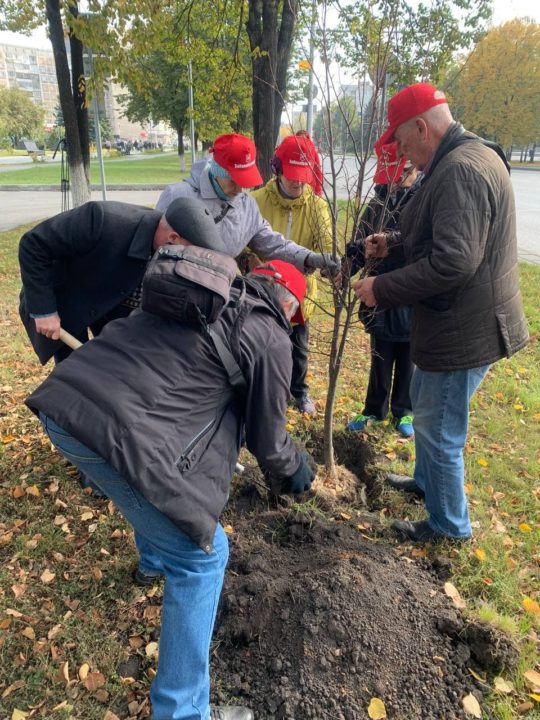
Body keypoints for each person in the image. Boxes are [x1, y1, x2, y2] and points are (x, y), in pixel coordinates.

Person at [25, 248, 316, 720]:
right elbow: (269, 439)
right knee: (204, 558)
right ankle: (182, 712)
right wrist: (296, 470)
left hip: (65, 409)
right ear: (290, 307)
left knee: (146, 488)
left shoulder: (197, 296)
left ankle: (152, 561)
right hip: (113, 437)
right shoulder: (269, 335)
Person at [353, 82, 528, 542]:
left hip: (464, 329)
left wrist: (381, 287)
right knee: (431, 417)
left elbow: (454, 260)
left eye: (404, 141)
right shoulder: (456, 159)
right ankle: (427, 483)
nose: (403, 152)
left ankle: (449, 529)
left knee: (441, 429)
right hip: (452, 322)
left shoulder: (461, 170)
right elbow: (443, 231)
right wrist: (392, 242)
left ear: (422, 126)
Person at [19, 197, 222, 366]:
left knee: (114, 366)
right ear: (173, 238)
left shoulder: (166, 252)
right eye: (189, 252)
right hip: (65, 298)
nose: (189, 258)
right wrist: (44, 310)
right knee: (74, 374)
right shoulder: (102, 219)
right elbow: (33, 244)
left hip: (109, 298)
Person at [155, 132, 339, 278]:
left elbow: (272, 243)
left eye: (244, 181)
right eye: (233, 180)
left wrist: (309, 258)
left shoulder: (246, 206)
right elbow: (153, 252)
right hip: (174, 295)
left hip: (218, 297)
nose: (239, 189)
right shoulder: (178, 196)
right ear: (216, 171)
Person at [251, 133, 333, 415]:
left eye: (303, 175)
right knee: (261, 344)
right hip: (261, 292)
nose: (298, 182)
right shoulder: (257, 200)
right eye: (292, 175)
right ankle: (265, 392)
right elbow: (247, 243)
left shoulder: (317, 207)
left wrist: (327, 261)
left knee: (299, 347)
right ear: (278, 169)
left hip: (299, 295)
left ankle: (299, 392)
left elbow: (325, 244)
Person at [345, 140, 418, 438]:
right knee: (380, 356)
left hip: (410, 297)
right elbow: (360, 245)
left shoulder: (421, 203)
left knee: (407, 358)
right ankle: (374, 408)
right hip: (378, 300)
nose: (396, 181)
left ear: (414, 171)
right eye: (390, 174)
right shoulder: (376, 205)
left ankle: (403, 412)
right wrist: (346, 269)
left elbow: (422, 247)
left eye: (402, 174)